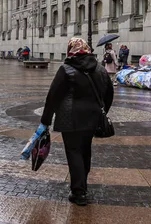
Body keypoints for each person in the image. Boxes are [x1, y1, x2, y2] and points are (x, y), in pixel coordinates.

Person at [39, 37, 114, 206]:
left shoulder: (66, 70)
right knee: (85, 150)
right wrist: (101, 112)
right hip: (92, 118)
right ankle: (82, 185)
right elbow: (109, 94)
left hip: (70, 119)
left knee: (74, 152)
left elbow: (53, 97)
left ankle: (79, 192)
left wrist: (45, 121)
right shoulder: (100, 70)